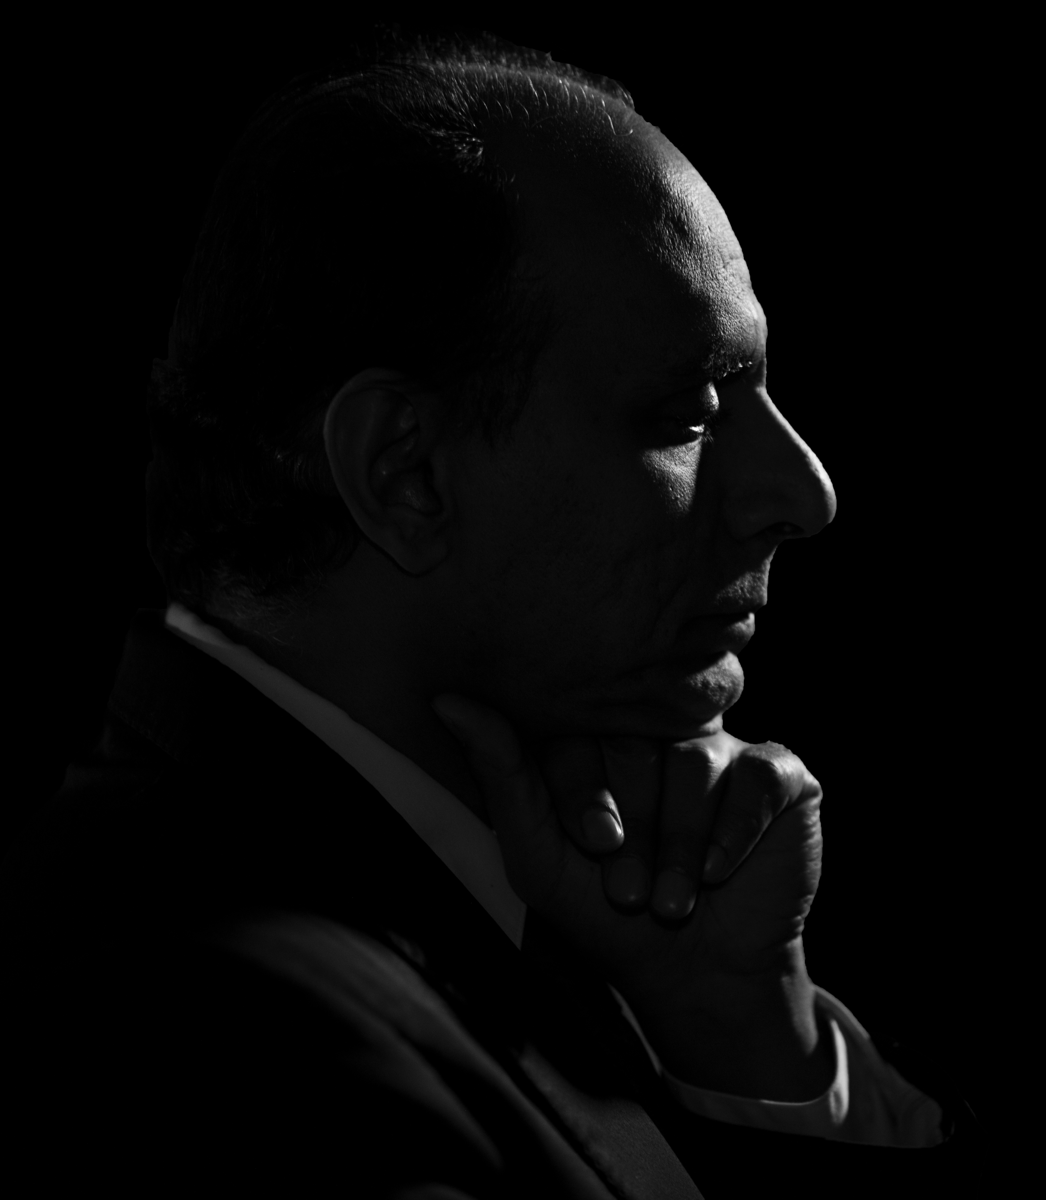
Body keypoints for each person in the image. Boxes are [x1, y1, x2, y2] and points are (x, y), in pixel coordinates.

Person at [3, 28, 981, 1198]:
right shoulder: (223, 1036)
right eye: (685, 413)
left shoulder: (460, 914)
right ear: (406, 475)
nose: (803, 493)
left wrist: (742, 1033)